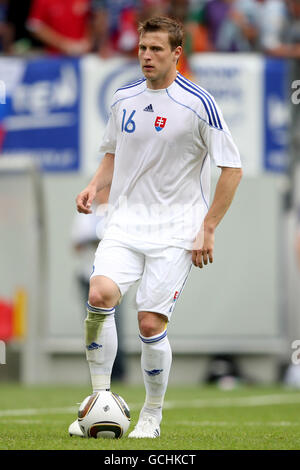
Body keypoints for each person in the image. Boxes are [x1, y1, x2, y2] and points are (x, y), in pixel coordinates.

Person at [69, 16, 242, 438]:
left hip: (175, 231)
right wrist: (94, 185)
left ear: (177, 54)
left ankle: (151, 415)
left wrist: (209, 227)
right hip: (125, 223)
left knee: (149, 324)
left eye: (157, 49)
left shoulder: (198, 104)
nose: (147, 56)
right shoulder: (123, 97)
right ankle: (99, 400)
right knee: (99, 295)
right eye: (143, 48)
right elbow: (112, 151)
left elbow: (232, 168)